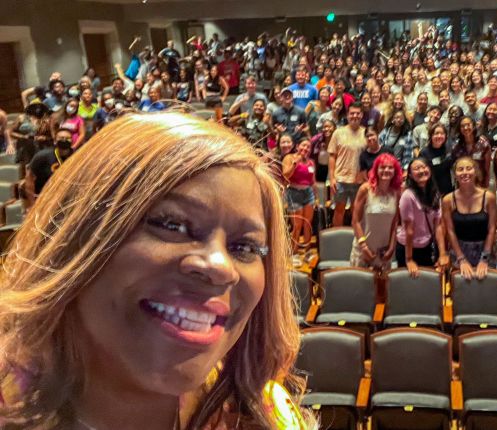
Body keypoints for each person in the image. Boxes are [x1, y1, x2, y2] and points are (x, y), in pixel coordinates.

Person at [0, 113, 308, 429]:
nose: (220, 267)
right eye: (171, 225)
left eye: (245, 247)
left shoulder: (266, 417)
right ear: (73, 238)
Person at [442, 156, 497, 280]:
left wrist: (484, 258)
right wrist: (461, 259)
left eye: (468, 168)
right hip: (459, 251)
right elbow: (450, 231)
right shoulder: (448, 200)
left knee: (486, 289)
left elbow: (492, 229)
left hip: (485, 249)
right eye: (460, 169)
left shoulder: (488, 197)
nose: (465, 172)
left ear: (476, 171)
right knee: (462, 290)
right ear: (455, 175)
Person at [396, 158, 449, 276]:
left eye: (424, 167)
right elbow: (409, 230)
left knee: (428, 284)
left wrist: (442, 253)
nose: (421, 170)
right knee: (410, 286)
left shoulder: (435, 193)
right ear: (410, 174)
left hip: (427, 246)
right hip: (408, 248)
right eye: (416, 168)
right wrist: (409, 260)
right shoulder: (408, 195)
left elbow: (438, 225)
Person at [349, 152, 401, 270]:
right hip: (363, 250)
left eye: (390, 167)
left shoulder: (396, 193)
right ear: (376, 169)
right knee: (360, 287)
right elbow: (355, 221)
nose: (386, 170)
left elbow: (395, 222)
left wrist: (392, 247)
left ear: (395, 171)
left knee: (382, 287)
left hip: (384, 252)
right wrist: (363, 246)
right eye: (382, 167)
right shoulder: (365, 189)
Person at [328, 102, 367, 226]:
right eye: (352, 113)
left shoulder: (367, 133)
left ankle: (355, 239)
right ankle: (337, 238)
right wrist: (332, 178)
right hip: (341, 179)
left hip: (359, 181)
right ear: (347, 115)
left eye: (357, 113)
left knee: (357, 212)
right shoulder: (338, 133)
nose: (354, 116)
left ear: (362, 115)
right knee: (339, 211)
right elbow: (332, 156)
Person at [282, 138, 316, 258]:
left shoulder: (311, 162)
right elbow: (285, 175)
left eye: (308, 147)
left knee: (307, 224)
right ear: (297, 146)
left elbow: (312, 181)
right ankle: (293, 252)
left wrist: (315, 197)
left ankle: (307, 251)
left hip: (308, 193)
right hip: (293, 193)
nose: (305, 149)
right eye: (303, 146)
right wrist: (295, 163)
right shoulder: (289, 158)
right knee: (297, 226)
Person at [24, 128, 74, 207]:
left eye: (68, 138)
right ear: (55, 140)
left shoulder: (77, 156)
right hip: (46, 200)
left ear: (72, 141)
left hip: (69, 199)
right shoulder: (42, 156)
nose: (64, 140)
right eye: (61, 138)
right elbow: (29, 178)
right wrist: (32, 204)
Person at [451, 116, 491, 188]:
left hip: (480, 183)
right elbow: (455, 168)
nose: (466, 128)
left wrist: (486, 184)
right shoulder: (456, 146)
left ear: (473, 126)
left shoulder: (483, 143)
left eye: (468, 125)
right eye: (462, 126)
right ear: (459, 129)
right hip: (463, 184)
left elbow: (487, 168)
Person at [418, 123, 454, 195]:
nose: (439, 136)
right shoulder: (424, 152)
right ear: (431, 136)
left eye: (442, 133)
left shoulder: (449, 149)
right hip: (431, 190)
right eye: (436, 133)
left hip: (448, 188)